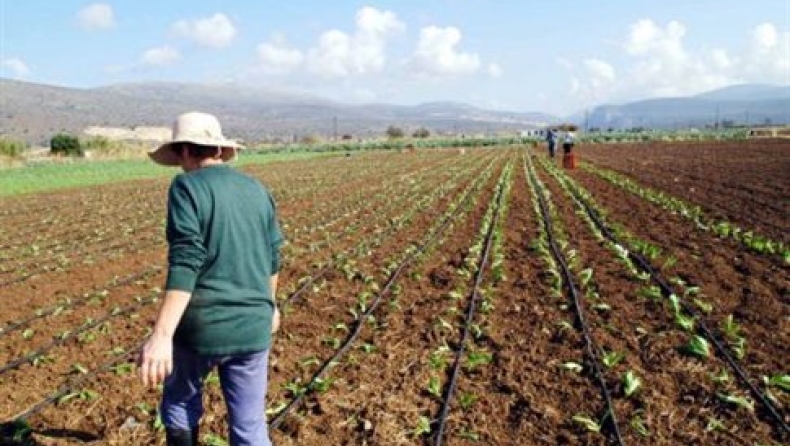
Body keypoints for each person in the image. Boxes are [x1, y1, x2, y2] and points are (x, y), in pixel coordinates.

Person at [138, 111, 284, 446]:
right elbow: (273, 256)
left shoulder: (186, 188)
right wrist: (270, 306)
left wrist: (161, 335)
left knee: (179, 402)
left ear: (185, 152)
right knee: (250, 426)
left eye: (178, 155)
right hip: (253, 323)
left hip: (202, 328)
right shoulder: (256, 189)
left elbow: (187, 259)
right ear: (218, 150)